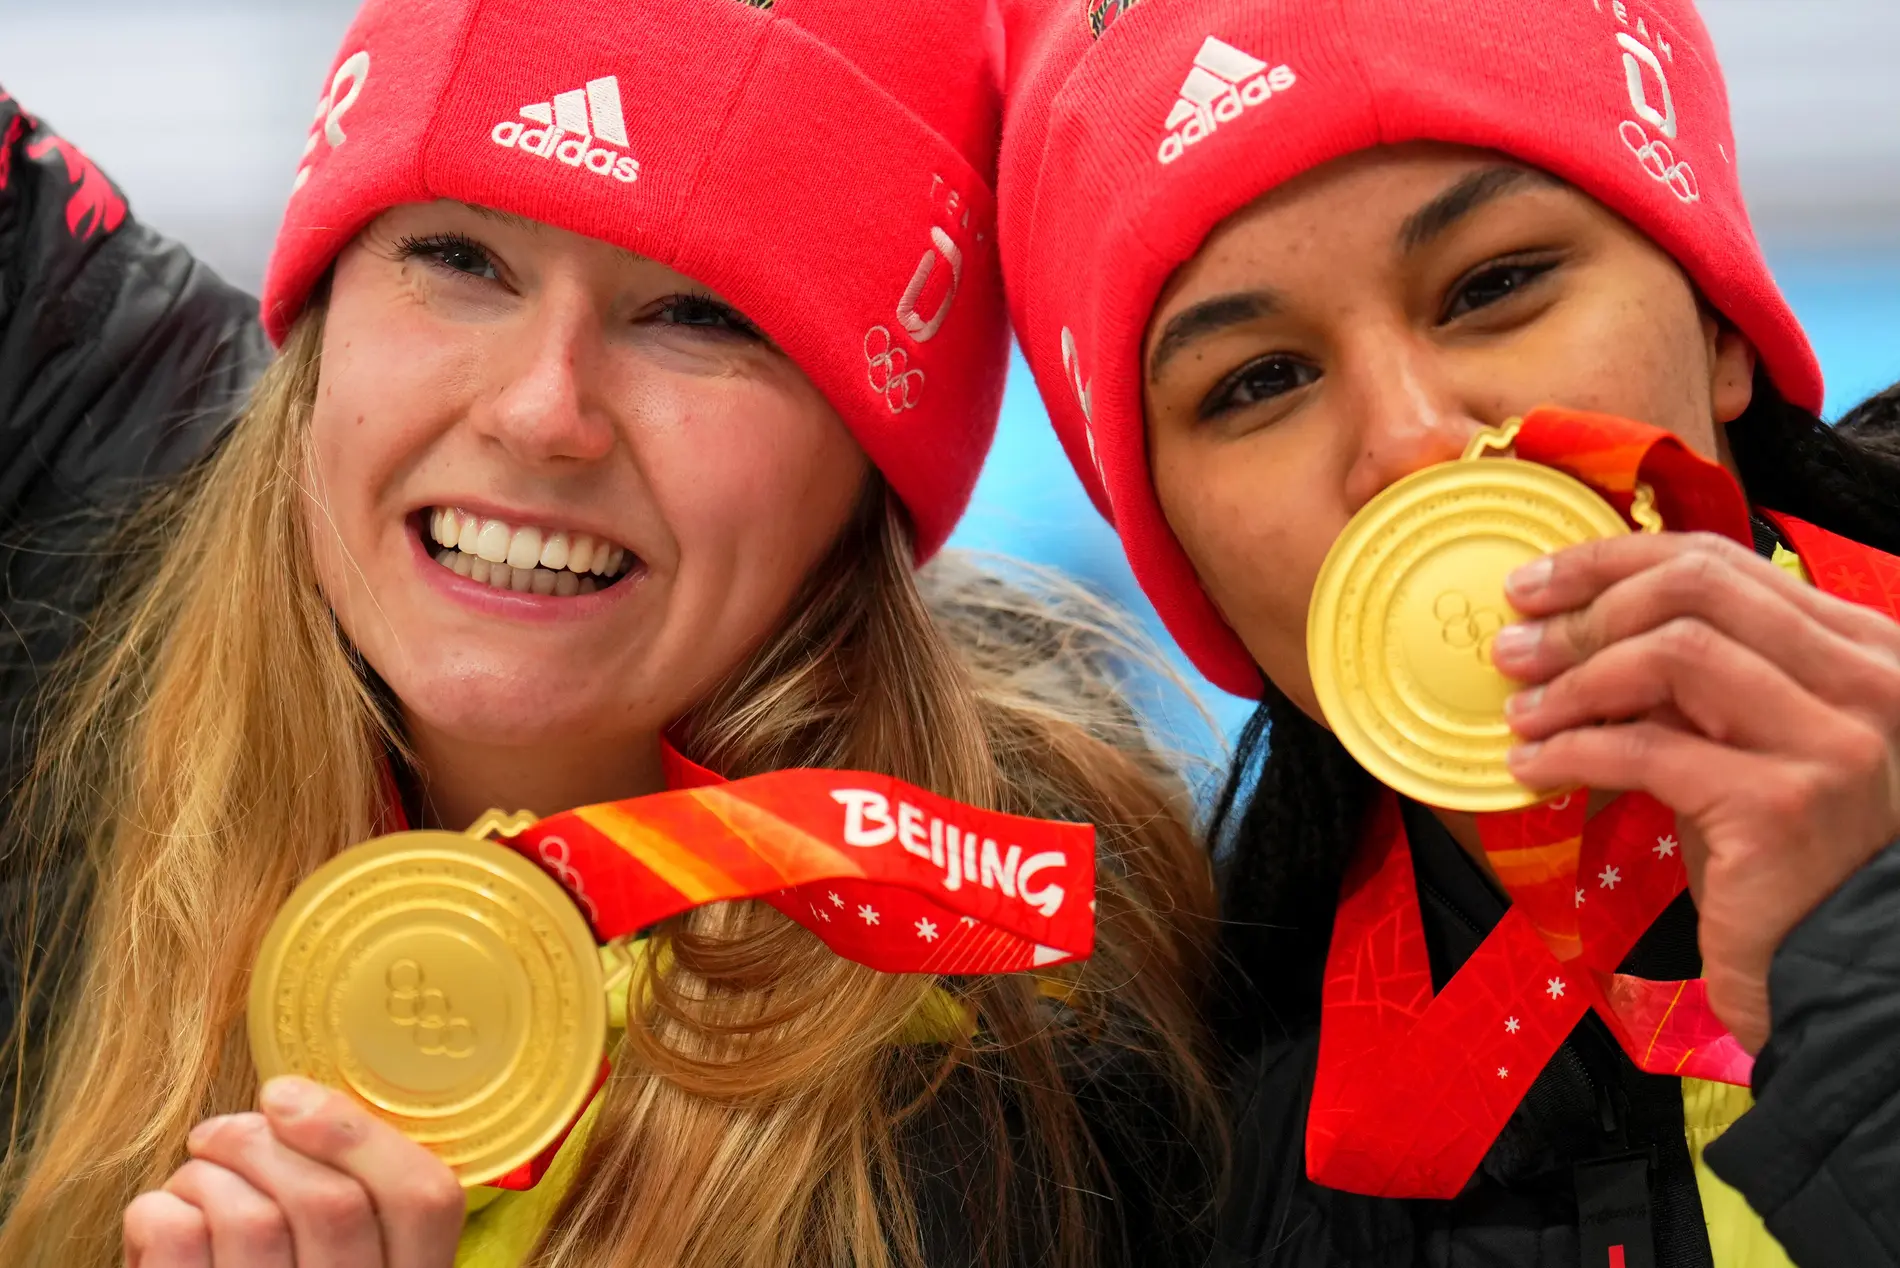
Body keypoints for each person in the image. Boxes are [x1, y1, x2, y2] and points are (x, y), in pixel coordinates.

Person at [0, 0, 1226, 1264]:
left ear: (868, 470)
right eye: (461, 258)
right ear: (323, 328)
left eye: (700, 315)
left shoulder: (1022, 1073)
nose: (544, 412)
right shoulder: (88, 629)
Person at [1000, 0, 1900, 1264]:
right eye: (1259, 380)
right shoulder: (1175, 1135)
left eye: (1493, 285)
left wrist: (1863, 981)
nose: (1413, 442)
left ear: (1719, 325)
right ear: (1186, 559)